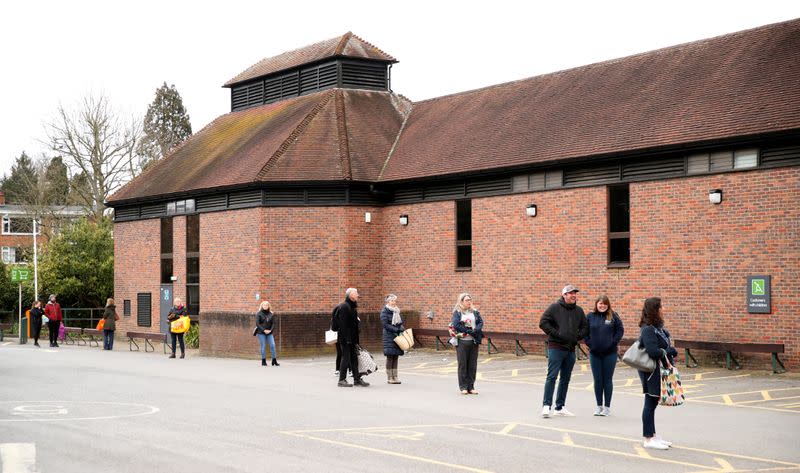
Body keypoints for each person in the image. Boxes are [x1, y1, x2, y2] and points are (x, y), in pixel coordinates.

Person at [539, 284, 588, 417]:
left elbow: (585, 327)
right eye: (570, 293)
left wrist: (577, 337)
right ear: (564, 295)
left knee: (565, 379)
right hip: (556, 347)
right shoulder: (555, 307)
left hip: (571, 349)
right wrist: (557, 334)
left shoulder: (579, 310)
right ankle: (546, 406)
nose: (573, 295)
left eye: (574, 293)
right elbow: (543, 322)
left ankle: (560, 407)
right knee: (552, 377)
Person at [638, 297, 678, 450]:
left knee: (653, 403)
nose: (663, 309)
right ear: (655, 310)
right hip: (651, 371)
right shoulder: (648, 329)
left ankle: (653, 435)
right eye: (661, 307)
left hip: (659, 370)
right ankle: (648, 439)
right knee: (650, 403)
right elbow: (653, 352)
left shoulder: (658, 328)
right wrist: (669, 351)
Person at [585, 295, 624, 416]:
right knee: (597, 380)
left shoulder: (613, 315)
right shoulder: (590, 316)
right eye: (600, 303)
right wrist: (590, 343)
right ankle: (599, 406)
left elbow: (620, 330)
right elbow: (584, 331)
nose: (602, 306)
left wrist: (613, 342)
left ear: (608, 305)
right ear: (596, 304)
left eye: (605, 304)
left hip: (610, 354)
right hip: (595, 353)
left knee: (607, 380)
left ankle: (607, 407)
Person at [334, 288, 369, 387]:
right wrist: (347, 338)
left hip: (352, 338)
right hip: (346, 339)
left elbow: (353, 324)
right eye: (356, 293)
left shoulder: (352, 307)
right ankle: (341, 380)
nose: (358, 295)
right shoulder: (345, 307)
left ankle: (357, 379)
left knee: (354, 358)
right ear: (351, 295)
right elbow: (343, 325)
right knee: (345, 358)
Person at [451, 293, 484, 395]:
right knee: (463, 365)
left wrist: (476, 330)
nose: (469, 302)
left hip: (473, 341)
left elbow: (480, 322)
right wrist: (468, 331)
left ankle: (471, 386)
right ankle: (463, 387)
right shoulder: (457, 313)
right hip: (462, 342)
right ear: (461, 301)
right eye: (467, 300)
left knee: (472, 365)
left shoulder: (475, 312)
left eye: (470, 299)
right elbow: (455, 325)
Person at [380, 294, 405, 384]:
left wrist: (401, 329)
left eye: (394, 301)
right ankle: (390, 377)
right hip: (389, 336)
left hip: (397, 335)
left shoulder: (397, 311)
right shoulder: (384, 312)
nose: (393, 302)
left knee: (396, 356)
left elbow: (401, 322)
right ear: (388, 302)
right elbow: (385, 325)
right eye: (392, 301)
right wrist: (396, 330)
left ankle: (395, 376)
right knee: (390, 356)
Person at [255, 301, 279, 366]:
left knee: (273, 345)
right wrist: (264, 330)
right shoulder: (259, 314)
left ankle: (274, 360)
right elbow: (257, 324)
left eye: (267, 305)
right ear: (262, 306)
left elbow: (273, 323)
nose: (265, 306)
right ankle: (263, 361)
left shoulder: (271, 314)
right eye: (264, 305)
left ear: (269, 306)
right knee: (263, 346)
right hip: (261, 333)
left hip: (269, 332)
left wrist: (270, 330)